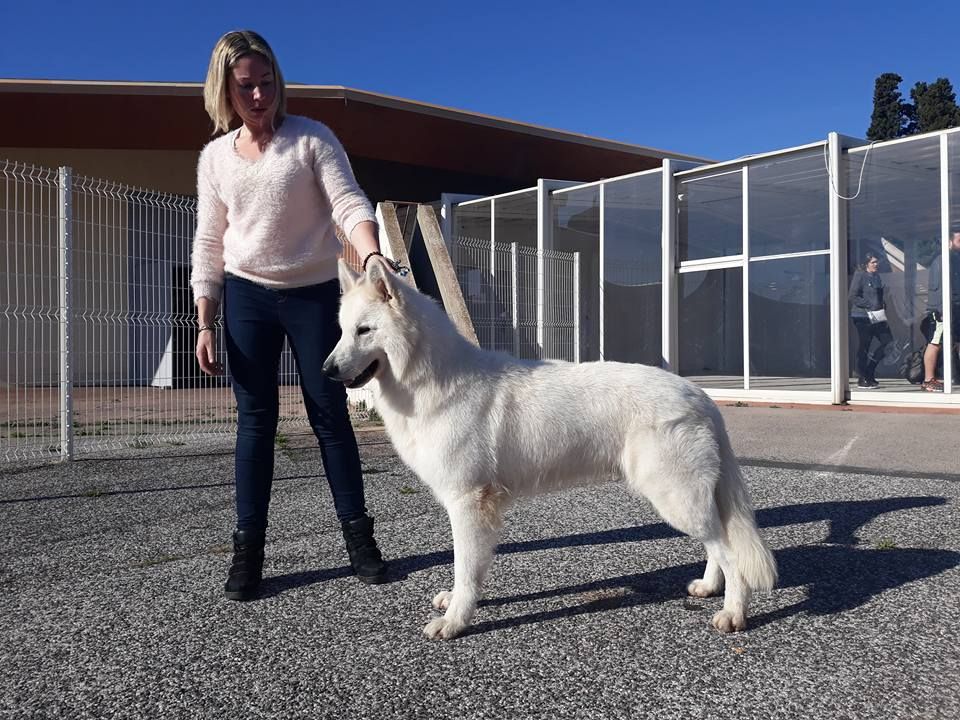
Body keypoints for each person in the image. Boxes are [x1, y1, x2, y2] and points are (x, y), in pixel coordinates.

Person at [191, 30, 389, 600]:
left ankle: (360, 539)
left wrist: (372, 253)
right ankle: (248, 551)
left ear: (279, 81)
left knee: (330, 413)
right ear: (225, 92)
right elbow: (209, 240)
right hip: (247, 295)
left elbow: (348, 201)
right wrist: (206, 317)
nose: (259, 96)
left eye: (267, 82)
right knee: (256, 420)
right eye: (245, 87)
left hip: (312, 293)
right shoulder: (215, 159)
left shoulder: (312, 140)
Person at [920, 230, 960, 392]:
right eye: (959, 239)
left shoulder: (955, 259)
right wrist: (941, 309)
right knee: (936, 342)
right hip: (943, 309)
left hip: (955, 307)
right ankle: (928, 380)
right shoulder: (943, 260)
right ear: (949, 242)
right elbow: (940, 287)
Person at [848, 252, 893, 389]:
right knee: (865, 346)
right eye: (873, 262)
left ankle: (869, 371)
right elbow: (852, 296)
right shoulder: (860, 275)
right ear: (866, 264)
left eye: (876, 262)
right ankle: (862, 378)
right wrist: (870, 304)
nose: (876, 264)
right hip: (862, 316)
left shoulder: (877, 277)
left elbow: (877, 296)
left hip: (877, 316)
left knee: (888, 342)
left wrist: (882, 304)